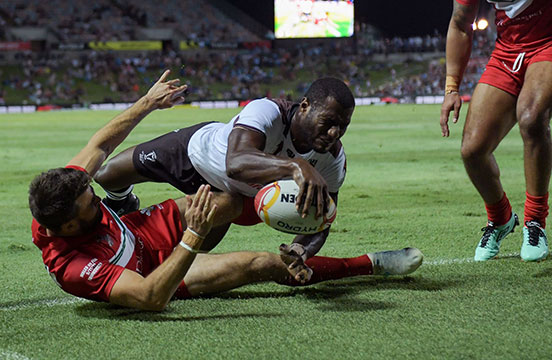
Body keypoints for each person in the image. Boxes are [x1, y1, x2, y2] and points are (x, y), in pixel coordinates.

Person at [29, 70, 424, 311]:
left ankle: (126, 200)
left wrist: (148, 103)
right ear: (64, 229)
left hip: (141, 231)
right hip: (154, 271)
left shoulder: (66, 188)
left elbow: (99, 146)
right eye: (90, 210)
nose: (95, 207)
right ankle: (370, 263)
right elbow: (150, 297)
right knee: (262, 265)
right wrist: (193, 237)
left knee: (223, 200)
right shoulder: (74, 268)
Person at [94, 77, 355, 280]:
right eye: (329, 121)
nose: (334, 133)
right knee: (105, 175)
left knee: (183, 262)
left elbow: (321, 220)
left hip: (229, 197)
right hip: (193, 153)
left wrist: (302, 251)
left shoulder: (332, 160)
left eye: (343, 126)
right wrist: (295, 166)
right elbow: (236, 163)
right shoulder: (268, 111)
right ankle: (124, 200)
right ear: (306, 107)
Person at [440, 0, 552, 262]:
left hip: (548, 43)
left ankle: (534, 222)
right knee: (473, 150)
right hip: (507, 52)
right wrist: (451, 89)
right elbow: (460, 23)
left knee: (532, 118)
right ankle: (501, 219)